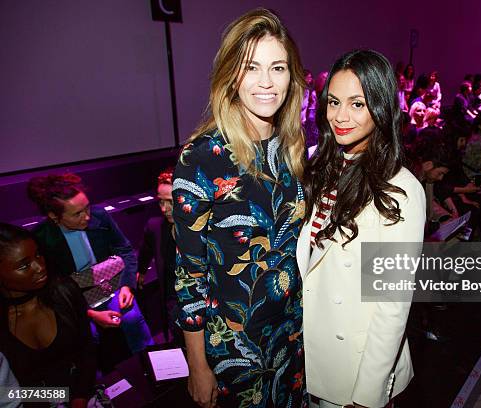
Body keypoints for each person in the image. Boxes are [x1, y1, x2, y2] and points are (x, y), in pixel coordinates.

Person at [171, 8, 306, 407]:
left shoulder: (293, 150)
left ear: (291, 77)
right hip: (234, 351)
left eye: (278, 67)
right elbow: (188, 274)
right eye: (251, 67)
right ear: (232, 76)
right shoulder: (201, 158)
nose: (266, 82)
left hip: (293, 338)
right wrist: (197, 366)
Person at [299, 49, 426, 408]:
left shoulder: (400, 190)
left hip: (356, 369)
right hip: (310, 358)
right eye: (334, 102)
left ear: (382, 107)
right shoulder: (317, 165)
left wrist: (368, 395)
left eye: (357, 104)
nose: (341, 117)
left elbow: (392, 305)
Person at [27, 174, 153, 355]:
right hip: (76, 296)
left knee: (132, 319)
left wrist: (126, 286)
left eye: (87, 208)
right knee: (86, 336)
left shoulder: (99, 216)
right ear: (54, 216)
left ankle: (151, 364)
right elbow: (53, 287)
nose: (86, 217)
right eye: (77, 214)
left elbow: (125, 250)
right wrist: (89, 313)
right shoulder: (42, 238)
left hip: (111, 284)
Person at [0, 223, 96, 407]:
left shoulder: (64, 291)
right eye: (24, 265)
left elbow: (87, 348)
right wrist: (58, 397)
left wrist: (79, 397)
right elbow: (5, 393)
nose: (39, 267)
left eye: (38, 254)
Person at [137, 167, 180, 344]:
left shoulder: (199, 228)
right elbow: (146, 249)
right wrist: (141, 272)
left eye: (170, 202)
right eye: (161, 202)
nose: (164, 209)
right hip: (173, 299)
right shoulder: (155, 227)